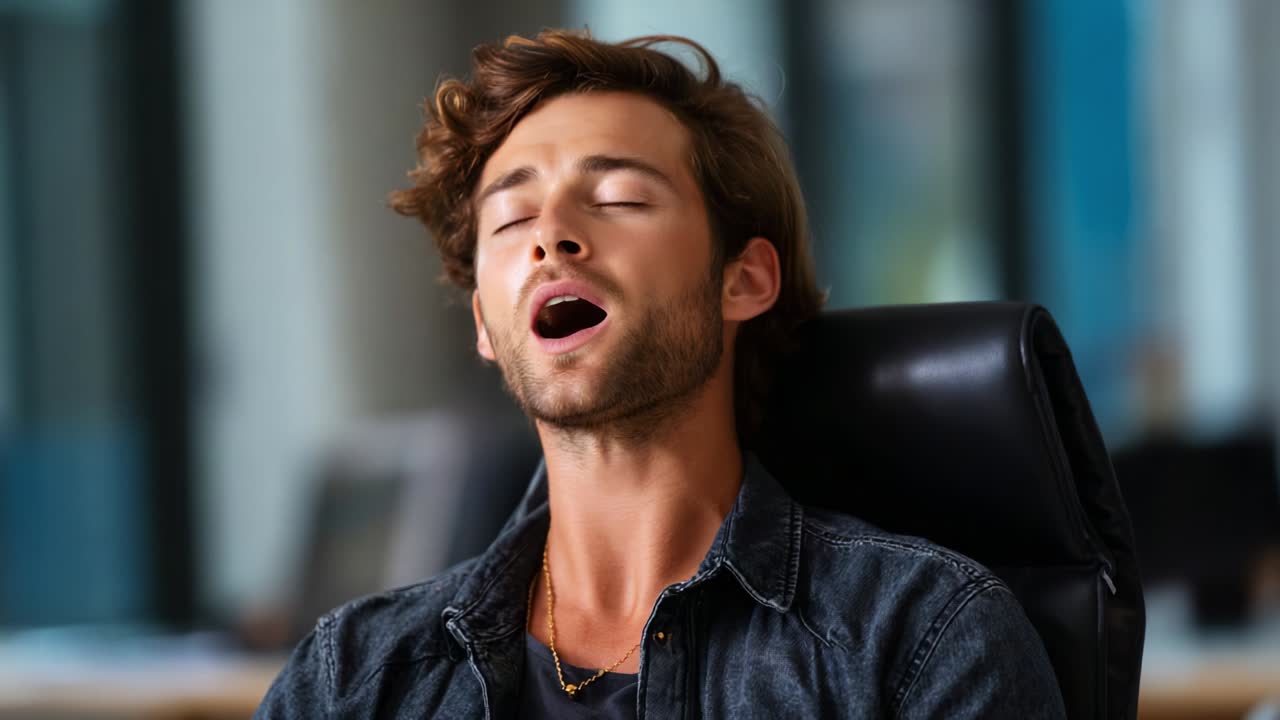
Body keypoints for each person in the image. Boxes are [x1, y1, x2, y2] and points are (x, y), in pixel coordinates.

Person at [255, 29, 1067, 719]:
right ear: (485, 327)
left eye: (615, 198)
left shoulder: (921, 640)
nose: (551, 237)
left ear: (742, 279)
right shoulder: (351, 680)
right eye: (511, 217)